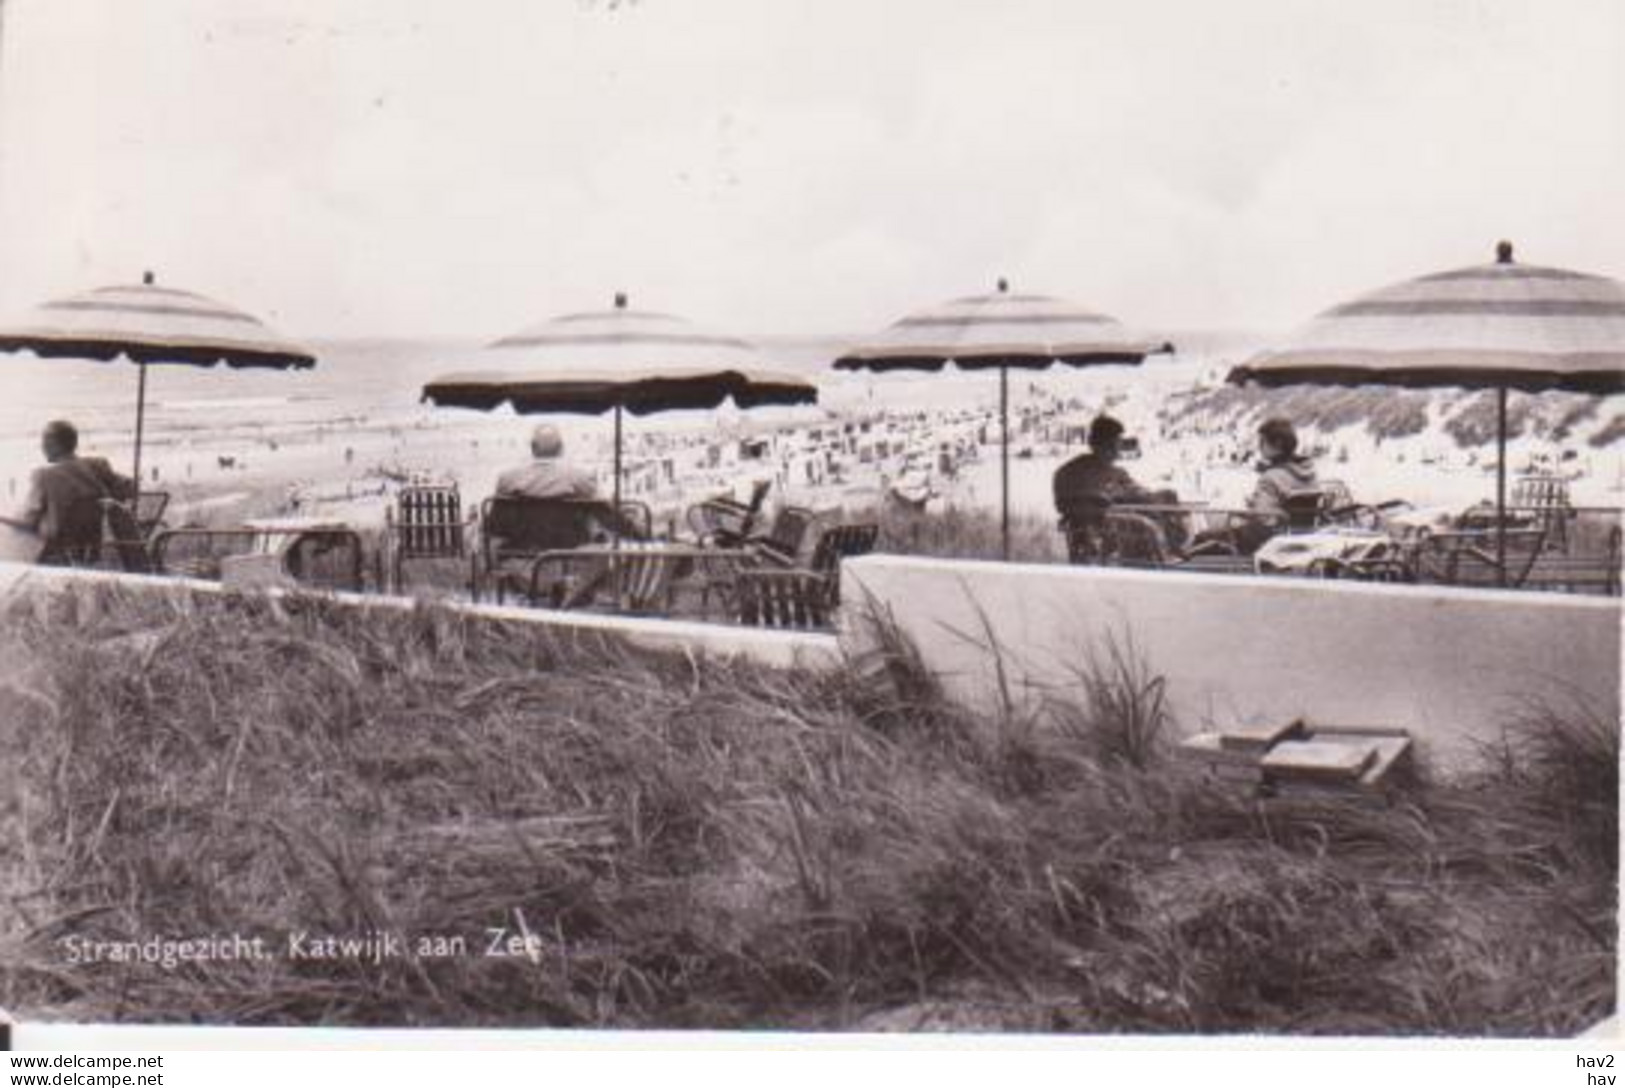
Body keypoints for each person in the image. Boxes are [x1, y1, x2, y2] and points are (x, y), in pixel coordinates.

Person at [0, 420, 135, 564]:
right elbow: (129, 489)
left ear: (53, 443)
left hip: (53, 551)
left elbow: (27, 523)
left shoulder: (44, 475)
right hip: (90, 549)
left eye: (44, 441)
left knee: (11, 533)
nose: (42, 447)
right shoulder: (98, 466)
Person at [1052, 414, 1169, 528]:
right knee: (1166, 499)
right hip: (1122, 538)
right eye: (1114, 444)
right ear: (1100, 445)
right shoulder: (1108, 474)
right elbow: (1135, 495)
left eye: (1118, 444)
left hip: (1095, 539)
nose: (1117, 450)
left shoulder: (1065, 472)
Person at [495, 423, 599, 500]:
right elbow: (596, 499)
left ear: (532, 447)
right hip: (564, 528)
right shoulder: (578, 476)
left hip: (522, 529)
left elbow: (496, 516)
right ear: (560, 448)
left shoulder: (508, 478)